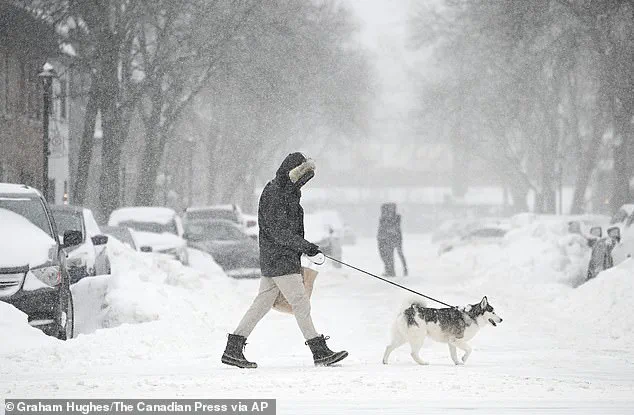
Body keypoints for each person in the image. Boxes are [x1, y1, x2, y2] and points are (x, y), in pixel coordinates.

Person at [221, 152, 348, 369]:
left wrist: (305, 249)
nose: (303, 183)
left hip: (279, 257)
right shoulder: (276, 193)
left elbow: (284, 230)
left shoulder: (287, 192)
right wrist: (307, 248)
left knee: (262, 303)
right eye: (301, 177)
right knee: (300, 302)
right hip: (279, 257)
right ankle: (319, 351)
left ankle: (233, 348)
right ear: (293, 173)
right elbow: (279, 231)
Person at [377, 203, 408, 277]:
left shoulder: (396, 218)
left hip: (393, 238)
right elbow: (381, 228)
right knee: (386, 255)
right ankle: (389, 270)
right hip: (385, 239)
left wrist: (386, 232)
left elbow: (393, 228)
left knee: (397, 254)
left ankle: (402, 269)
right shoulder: (383, 218)